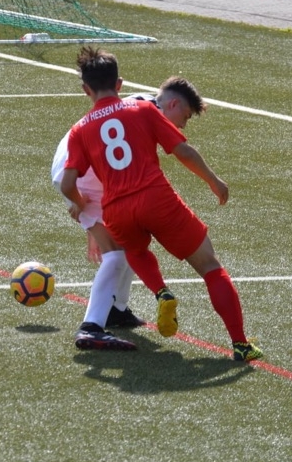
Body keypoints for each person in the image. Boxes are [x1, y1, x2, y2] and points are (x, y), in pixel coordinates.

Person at [60, 47, 263, 362]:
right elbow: (183, 151)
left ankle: (162, 292)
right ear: (119, 84)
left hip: (116, 209)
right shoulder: (142, 109)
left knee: (134, 251)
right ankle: (240, 344)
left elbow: (67, 183)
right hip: (156, 198)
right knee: (210, 266)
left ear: (86, 89)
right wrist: (213, 180)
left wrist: (80, 202)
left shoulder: (79, 129)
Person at [52, 78, 206, 351]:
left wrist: (92, 220)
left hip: (76, 170)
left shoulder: (139, 103)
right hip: (81, 174)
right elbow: (116, 162)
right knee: (117, 252)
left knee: (130, 243)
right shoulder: (144, 112)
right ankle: (91, 326)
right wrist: (80, 200)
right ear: (172, 104)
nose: (183, 125)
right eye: (184, 117)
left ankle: (117, 309)